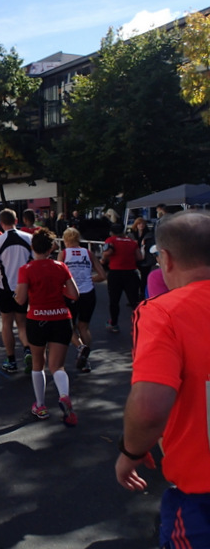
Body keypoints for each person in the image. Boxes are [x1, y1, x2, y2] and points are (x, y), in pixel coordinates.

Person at [115, 211, 210, 547]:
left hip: (202, 495)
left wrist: (130, 452)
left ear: (165, 259)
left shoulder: (162, 312)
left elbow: (151, 406)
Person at [14, 229, 79, 424]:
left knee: (37, 363)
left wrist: (16, 295)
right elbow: (74, 295)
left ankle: (41, 405)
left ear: (32, 247)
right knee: (57, 366)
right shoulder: (60, 267)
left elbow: (21, 299)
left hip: (37, 319)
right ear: (52, 247)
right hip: (61, 318)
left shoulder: (26, 269)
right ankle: (64, 395)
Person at [0, 209, 33, 373]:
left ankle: (11, 361)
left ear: (1, 222)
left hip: (5, 287)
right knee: (22, 323)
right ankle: (28, 350)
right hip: (25, 287)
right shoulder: (29, 238)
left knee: (7, 323)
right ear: (17, 220)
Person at [57, 227, 106, 373]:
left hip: (70, 294)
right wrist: (89, 279)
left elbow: (59, 276)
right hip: (88, 293)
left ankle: (80, 347)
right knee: (84, 327)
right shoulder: (88, 253)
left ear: (65, 240)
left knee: (67, 327)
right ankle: (85, 360)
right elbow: (103, 275)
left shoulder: (63, 254)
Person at [102, 223, 143, 333]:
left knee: (114, 300)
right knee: (134, 301)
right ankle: (140, 323)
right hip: (131, 273)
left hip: (116, 273)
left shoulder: (111, 240)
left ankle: (114, 323)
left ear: (112, 232)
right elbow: (140, 257)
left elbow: (108, 252)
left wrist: (104, 259)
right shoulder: (131, 242)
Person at [128, 217, 156, 301]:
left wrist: (145, 244)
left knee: (144, 277)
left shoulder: (149, 234)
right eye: (139, 224)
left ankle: (142, 295)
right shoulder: (131, 234)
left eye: (143, 224)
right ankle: (134, 296)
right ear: (136, 225)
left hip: (146, 258)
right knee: (134, 278)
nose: (141, 225)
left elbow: (152, 246)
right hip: (134, 258)